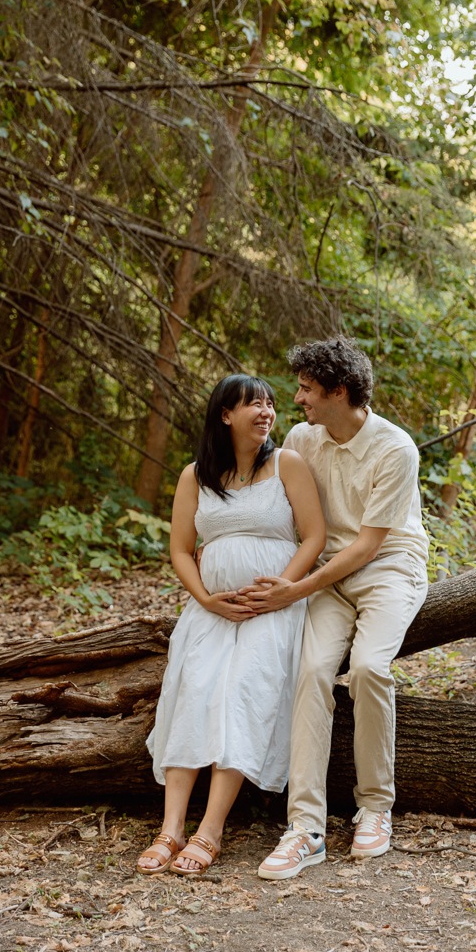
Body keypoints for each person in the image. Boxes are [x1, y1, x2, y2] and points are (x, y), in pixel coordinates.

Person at [246, 336, 429, 880]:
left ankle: (375, 808)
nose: (297, 399)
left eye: (306, 389)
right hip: (327, 576)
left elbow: (369, 546)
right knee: (310, 673)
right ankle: (305, 827)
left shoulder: (396, 448)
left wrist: (294, 589)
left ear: (340, 391)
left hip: (388, 567)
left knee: (369, 667)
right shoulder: (302, 439)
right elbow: (281, 510)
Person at [137, 374, 326, 876]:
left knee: (245, 689)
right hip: (212, 609)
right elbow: (180, 550)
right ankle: (171, 828)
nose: (266, 412)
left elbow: (314, 536)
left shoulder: (287, 463)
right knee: (194, 689)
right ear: (226, 415)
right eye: (253, 404)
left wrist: (281, 588)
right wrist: (206, 599)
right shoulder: (195, 475)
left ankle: (211, 829)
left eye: (270, 404)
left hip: (275, 608)